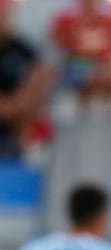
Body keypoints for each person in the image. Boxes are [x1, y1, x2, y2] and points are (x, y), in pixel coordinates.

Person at [0, 0, 54, 159]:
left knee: (38, 80)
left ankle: (25, 146)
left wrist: (13, 105)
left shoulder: (22, 48)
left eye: (4, 15)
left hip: (15, 119)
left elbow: (41, 75)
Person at [49, 0, 111, 107]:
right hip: (76, 64)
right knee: (89, 77)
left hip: (104, 64)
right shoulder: (66, 13)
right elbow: (58, 40)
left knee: (110, 76)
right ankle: (83, 108)